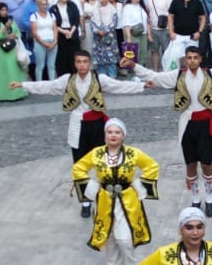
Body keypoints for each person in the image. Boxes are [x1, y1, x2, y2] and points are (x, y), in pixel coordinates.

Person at [13, 51, 148, 216]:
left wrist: (141, 85)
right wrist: (23, 85)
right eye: (79, 62)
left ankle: (104, 199)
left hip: (98, 126)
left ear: (90, 63)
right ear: (75, 64)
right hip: (78, 126)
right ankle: (85, 201)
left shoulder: (99, 79)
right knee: (80, 167)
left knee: (104, 164)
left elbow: (118, 86)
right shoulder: (68, 80)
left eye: (85, 62)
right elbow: (48, 86)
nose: (82, 65)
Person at [133, 46, 212, 216]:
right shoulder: (178, 75)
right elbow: (155, 78)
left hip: (206, 125)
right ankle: (195, 198)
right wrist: (134, 66)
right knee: (190, 164)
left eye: (195, 57)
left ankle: (209, 198)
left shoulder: (210, 74)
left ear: (200, 59)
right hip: (187, 124)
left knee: (207, 164)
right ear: (185, 59)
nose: (192, 60)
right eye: (189, 57)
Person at [70, 117, 161, 265]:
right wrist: (93, 186)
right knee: (110, 239)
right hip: (105, 201)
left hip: (127, 201)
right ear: (105, 135)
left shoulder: (133, 153)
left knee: (125, 239)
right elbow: (78, 167)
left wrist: (137, 184)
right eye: (110, 132)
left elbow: (152, 166)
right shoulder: (96, 153)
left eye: (117, 132)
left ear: (123, 135)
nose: (113, 135)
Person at [0, 3, 28, 101]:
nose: (4, 12)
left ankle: (17, 93)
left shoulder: (11, 21)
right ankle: (3, 94)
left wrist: (15, 35)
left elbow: (18, 32)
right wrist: (5, 30)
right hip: (0, 52)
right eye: (2, 10)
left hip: (13, 50)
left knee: (15, 72)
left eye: (6, 10)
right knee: (3, 73)